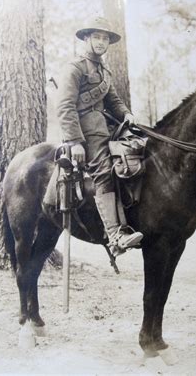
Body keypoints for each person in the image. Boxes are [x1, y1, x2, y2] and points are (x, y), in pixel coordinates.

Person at [56, 16, 143, 255]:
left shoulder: (104, 70)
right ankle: (115, 235)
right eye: (97, 37)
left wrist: (127, 114)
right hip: (86, 134)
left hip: (108, 129)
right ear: (86, 38)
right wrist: (74, 142)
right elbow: (65, 106)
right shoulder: (74, 68)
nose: (101, 42)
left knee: (133, 157)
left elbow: (113, 100)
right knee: (104, 171)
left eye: (105, 38)